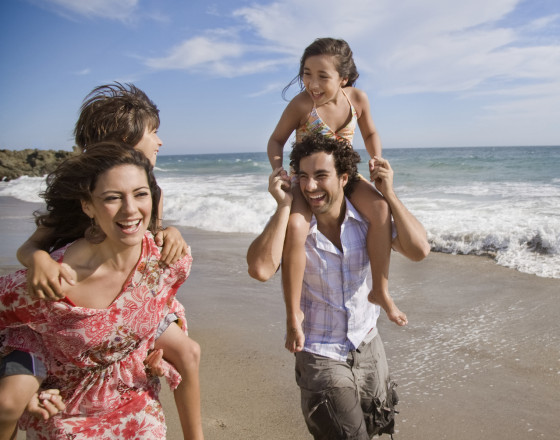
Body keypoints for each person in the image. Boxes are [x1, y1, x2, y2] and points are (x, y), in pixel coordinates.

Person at [4, 83, 202, 439]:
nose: (160, 142)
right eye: (153, 132)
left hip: (135, 303)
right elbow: (29, 247)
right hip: (66, 311)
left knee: (187, 351)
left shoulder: (149, 192)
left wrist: (170, 231)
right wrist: (39, 261)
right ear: (123, 141)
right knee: (12, 399)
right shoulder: (78, 196)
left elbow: (152, 246)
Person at [248, 134, 430, 439]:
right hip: (319, 352)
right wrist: (282, 207)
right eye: (304, 177)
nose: (310, 187)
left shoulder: (369, 221)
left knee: (373, 428)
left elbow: (419, 250)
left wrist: (390, 195)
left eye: (321, 176)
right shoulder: (297, 227)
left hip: (368, 343)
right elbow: (260, 269)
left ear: (344, 178)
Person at [267, 38, 405, 356]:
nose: (312, 84)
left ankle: (381, 291)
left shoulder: (357, 99)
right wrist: (279, 171)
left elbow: (370, 132)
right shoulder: (303, 104)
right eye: (306, 74)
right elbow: (275, 140)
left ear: (343, 78)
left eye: (322, 76)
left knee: (382, 209)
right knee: (298, 227)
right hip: (308, 180)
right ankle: (294, 311)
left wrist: (376, 157)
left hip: (344, 175)